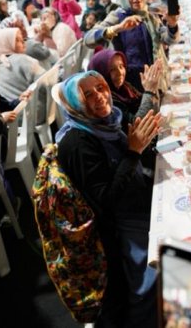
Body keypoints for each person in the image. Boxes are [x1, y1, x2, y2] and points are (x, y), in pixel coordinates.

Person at [54, 71, 161, 327]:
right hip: (115, 225)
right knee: (153, 270)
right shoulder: (77, 142)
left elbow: (137, 129)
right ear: (73, 103)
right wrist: (134, 151)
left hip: (133, 200)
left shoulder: (109, 121)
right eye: (87, 94)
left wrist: (149, 93)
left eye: (101, 88)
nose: (99, 97)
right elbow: (106, 201)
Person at [85, 0, 179, 91]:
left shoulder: (149, 16)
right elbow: (88, 39)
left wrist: (172, 25)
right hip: (129, 82)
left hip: (153, 78)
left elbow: (168, 39)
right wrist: (118, 28)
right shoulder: (117, 16)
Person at [90, 49, 163, 128]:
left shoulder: (125, 87)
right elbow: (137, 125)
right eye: (112, 69)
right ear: (101, 74)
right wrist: (149, 91)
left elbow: (151, 109)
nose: (120, 72)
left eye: (121, 66)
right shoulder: (106, 102)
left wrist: (153, 88)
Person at [0, 27, 45, 105]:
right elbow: (46, 83)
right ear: (6, 44)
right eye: (17, 40)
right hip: (36, 109)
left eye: (21, 38)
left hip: (17, 112)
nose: (23, 41)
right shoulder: (22, 60)